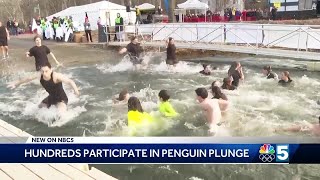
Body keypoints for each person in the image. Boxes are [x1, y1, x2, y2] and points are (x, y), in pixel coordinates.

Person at [7, 64, 80, 114]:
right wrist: (15, 83)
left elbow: (70, 81)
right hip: (51, 97)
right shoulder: (40, 75)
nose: (44, 73)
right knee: (37, 110)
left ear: (51, 70)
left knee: (60, 115)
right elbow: (28, 78)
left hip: (61, 99)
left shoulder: (56, 76)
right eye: (42, 71)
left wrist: (76, 90)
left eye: (46, 71)